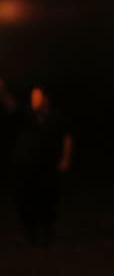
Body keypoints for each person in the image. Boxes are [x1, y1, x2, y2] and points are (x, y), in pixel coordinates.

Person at [6, 83, 74, 246]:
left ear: (45, 99)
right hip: (25, 165)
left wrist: (65, 158)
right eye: (32, 96)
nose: (33, 99)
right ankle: (29, 234)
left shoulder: (56, 117)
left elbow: (67, 137)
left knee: (47, 199)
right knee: (25, 200)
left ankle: (47, 235)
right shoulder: (27, 114)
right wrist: (2, 91)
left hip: (47, 165)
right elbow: (10, 107)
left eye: (36, 96)